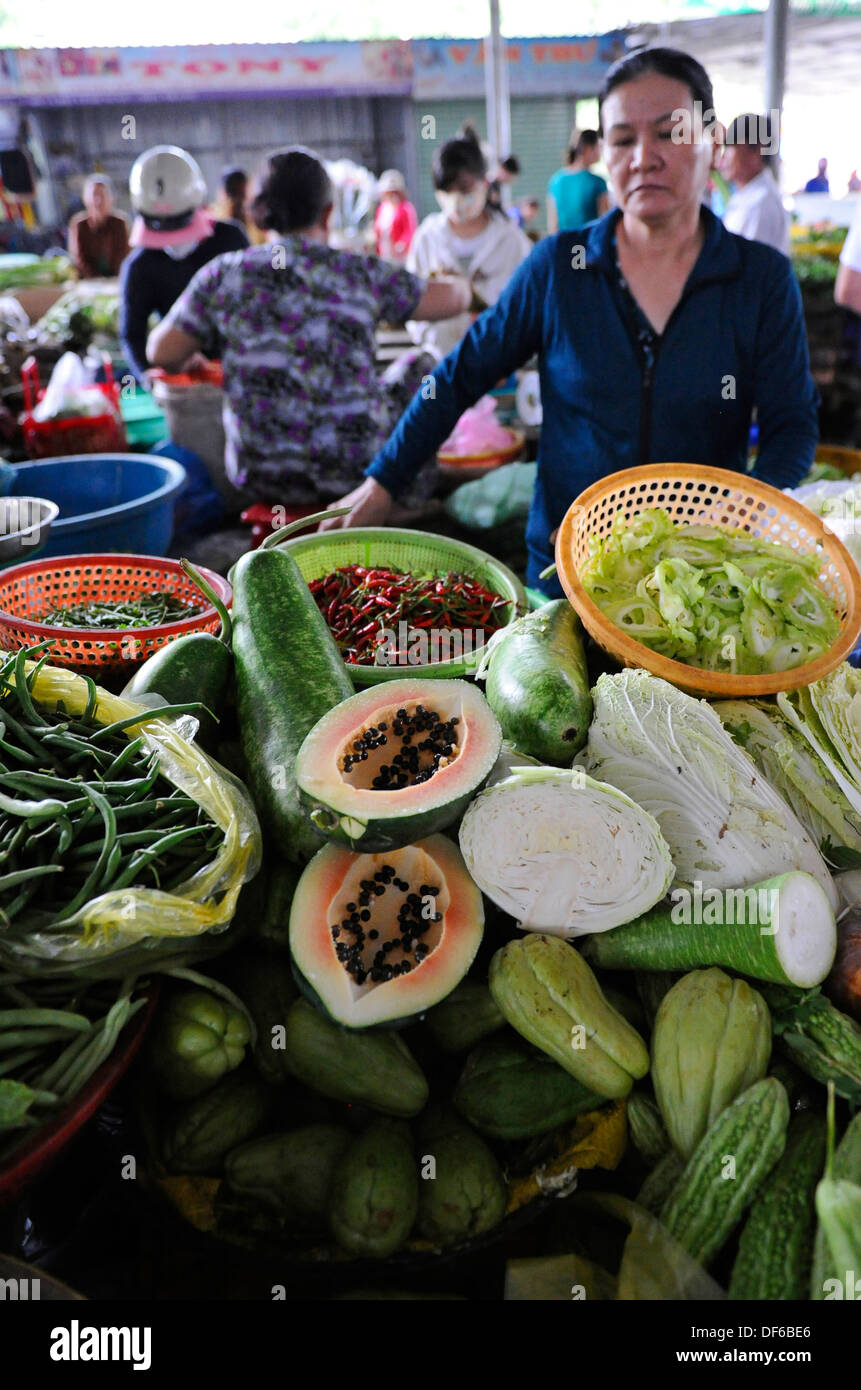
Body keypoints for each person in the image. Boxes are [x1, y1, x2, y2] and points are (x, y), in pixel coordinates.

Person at [320, 47, 819, 598]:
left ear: (711, 142)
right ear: (604, 151)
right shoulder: (561, 268)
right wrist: (384, 479)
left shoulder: (760, 279)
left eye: (669, 134)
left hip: (705, 583)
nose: (644, 157)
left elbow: (791, 424)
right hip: (568, 577)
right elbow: (458, 375)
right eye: (624, 139)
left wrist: (746, 511)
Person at [146, 147, 471, 508]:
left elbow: (161, 352)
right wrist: (462, 283)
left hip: (259, 472)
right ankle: (406, 497)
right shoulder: (361, 271)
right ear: (328, 212)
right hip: (356, 467)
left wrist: (192, 360)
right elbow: (451, 301)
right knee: (423, 366)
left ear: (262, 212)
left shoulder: (223, 274)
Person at [119, 145, 248, 383]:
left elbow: (257, 303)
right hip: (182, 376)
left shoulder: (230, 241)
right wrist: (146, 373)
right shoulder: (140, 266)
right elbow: (131, 333)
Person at [405, 127, 531, 360]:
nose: (455, 200)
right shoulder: (427, 237)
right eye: (447, 191)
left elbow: (529, 307)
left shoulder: (511, 241)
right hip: (440, 364)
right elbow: (409, 304)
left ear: (485, 182)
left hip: (498, 366)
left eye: (464, 190)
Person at [720, 113, 790, 257]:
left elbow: (748, 269)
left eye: (730, 147)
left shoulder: (761, 204)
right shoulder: (748, 196)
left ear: (757, 149)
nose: (723, 157)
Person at [67, 175, 130, 279]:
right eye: (94, 195)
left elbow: (123, 256)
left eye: (102, 195)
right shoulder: (79, 225)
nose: (98, 200)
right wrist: (95, 279)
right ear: (85, 199)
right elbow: (79, 259)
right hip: (89, 283)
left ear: (111, 198)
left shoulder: (120, 223)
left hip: (116, 280)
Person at [547, 130, 610, 232]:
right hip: (588, 245)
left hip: (563, 244)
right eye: (599, 147)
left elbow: (553, 226)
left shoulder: (555, 181)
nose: (601, 151)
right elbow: (605, 223)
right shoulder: (597, 182)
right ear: (588, 148)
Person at [374, 169, 418, 264]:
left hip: (400, 256)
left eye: (395, 192)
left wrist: (402, 244)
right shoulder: (382, 209)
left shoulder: (406, 208)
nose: (392, 195)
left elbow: (410, 230)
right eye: (389, 192)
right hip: (384, 252)